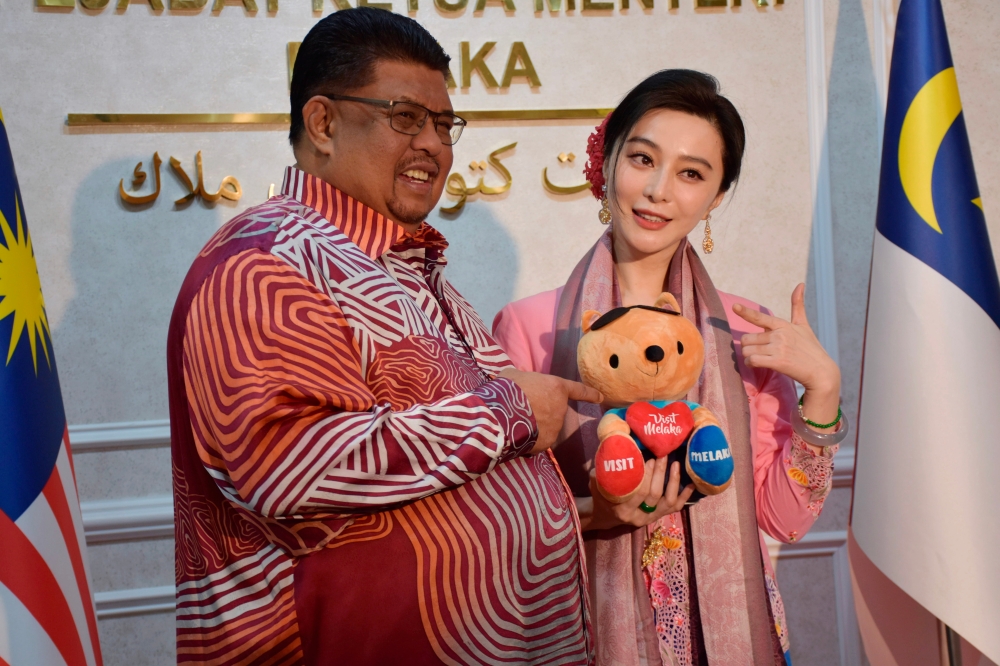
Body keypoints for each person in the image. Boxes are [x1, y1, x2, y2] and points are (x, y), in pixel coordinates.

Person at [165, 9, 602, 665]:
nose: (434, 144)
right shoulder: (265, 262)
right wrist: (511, 413)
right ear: (323, 123)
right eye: (405, 118)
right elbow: (285, 465)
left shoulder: (400, 263)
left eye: (444, 125)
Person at [493, 69, 848, 666]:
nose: (658, 189)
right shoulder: (531, 328)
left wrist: (824, 388)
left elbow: (781, 519)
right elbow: (501, 530)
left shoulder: (741, 330)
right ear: (606, 166)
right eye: (642, 158)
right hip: (590, 642)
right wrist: (593, 515)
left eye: (691, 174)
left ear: (715, 197)